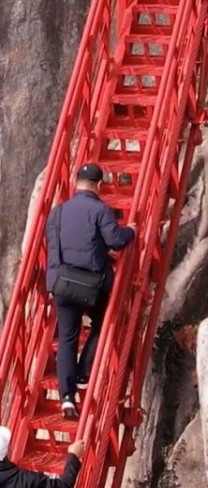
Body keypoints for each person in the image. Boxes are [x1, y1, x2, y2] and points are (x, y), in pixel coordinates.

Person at [45, 164, 135, 421]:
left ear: (76, 183)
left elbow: (51, 243)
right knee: (102, 322)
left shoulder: (58, 212)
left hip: (61, 284)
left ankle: (66, 398)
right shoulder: (100, 210)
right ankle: (84, 372)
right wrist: (132, 231)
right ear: (99, 184)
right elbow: (116, 240)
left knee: (67, 338)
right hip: (91, 286)